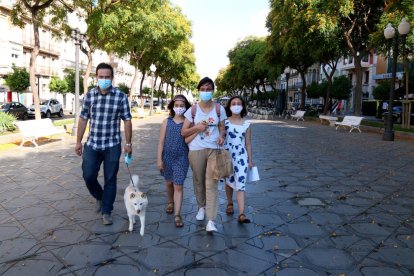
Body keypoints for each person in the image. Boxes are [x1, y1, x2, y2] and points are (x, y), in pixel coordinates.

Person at [75, 62, 132, 225]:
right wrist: (78, 141)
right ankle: (100, 196)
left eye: (107, 77)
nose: (104, 80)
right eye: (101, 77)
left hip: (112, 145)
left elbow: (127, 120)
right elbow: (83, 118)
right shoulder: (90, 96)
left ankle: (107, 211)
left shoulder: (120, 96)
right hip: (92, 144)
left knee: (110, 178)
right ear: (96, 77)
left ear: (112, 78)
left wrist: (128, 143)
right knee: (88, 175)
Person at [181, 77, 227, 232]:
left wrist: (222, 135)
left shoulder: (219, 109)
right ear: (199, 90)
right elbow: (184, 132)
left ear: (213, 90)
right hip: (196, 150)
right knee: (199, 180)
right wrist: (197, 128)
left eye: (209, 89)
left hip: (214, 149)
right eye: (203, 89)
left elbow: (222, 127)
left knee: (212, 183)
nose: (206, 92)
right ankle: (201, 206)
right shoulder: (192, 110)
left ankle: (211, 219)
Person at [157, 95, 191, 228]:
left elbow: (190, 138)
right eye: (176, 105)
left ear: (186, 107)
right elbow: (160, 142)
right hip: (167, 157)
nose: (179, 108)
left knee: (178, 185)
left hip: (182, 157)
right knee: (169, 182)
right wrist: (159, 159)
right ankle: (170, 202)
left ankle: (177, 214)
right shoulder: (167, 121)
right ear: (172, 107)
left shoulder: (188, 123)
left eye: (182, 106)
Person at [223, 96, 253, 223]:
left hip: (241, 156)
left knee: (241, 184)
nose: (236, 105)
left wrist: (250, 160)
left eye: (239, 103)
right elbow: (220, 137)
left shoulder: (247, 124)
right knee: (229, 181)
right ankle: (230, 203)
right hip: (227, 155)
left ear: (242, 106)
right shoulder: (224, 122)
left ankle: (241, 213)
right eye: (233, 103)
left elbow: (248, 144)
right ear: (229, 106)